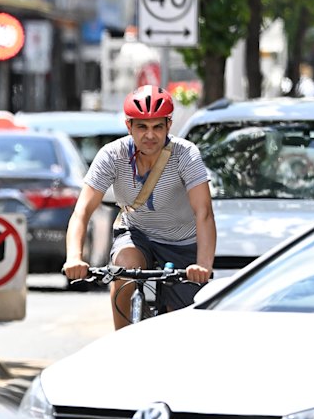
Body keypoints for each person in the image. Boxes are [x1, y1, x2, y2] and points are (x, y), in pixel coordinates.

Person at [62, 85, 216, 330]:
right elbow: (82, 212)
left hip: (182, 242)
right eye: (142, 127)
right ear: (129, 126)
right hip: (137, 235)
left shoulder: (186, 155)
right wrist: (74, 257)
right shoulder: (113, 155)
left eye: (157, 127)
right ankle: (121, 342)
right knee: (124, 267)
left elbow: (204, 213)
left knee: (184, 324)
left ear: (169, 125)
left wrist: (203, 265)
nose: (150, 135)